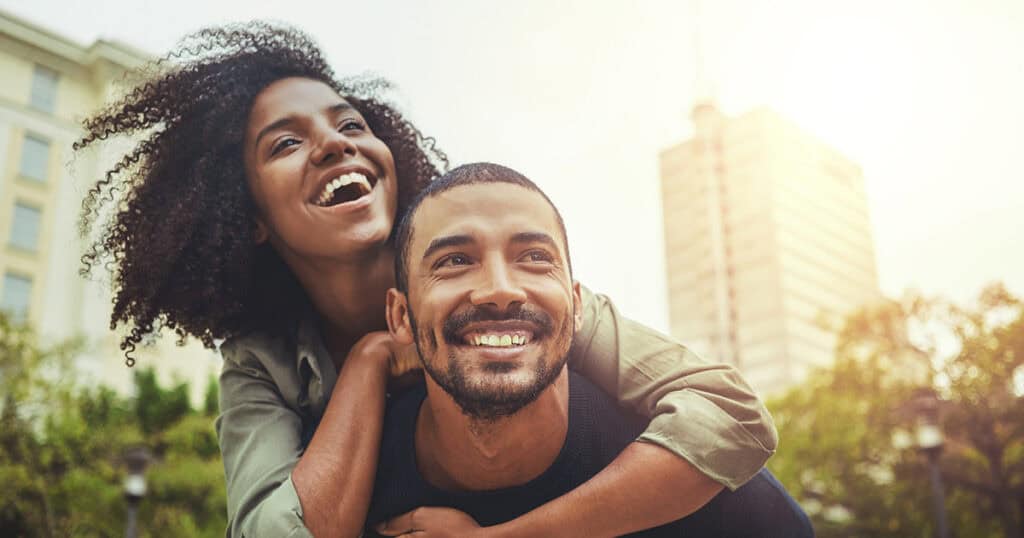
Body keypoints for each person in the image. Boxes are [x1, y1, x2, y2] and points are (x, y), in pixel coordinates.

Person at [75, 22, 777, 538]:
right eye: (286, 143)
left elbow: (729, 417)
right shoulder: (260, 363)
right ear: (247, 215)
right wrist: (372, 358)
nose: (334, 143)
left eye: (350, 123)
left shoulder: (495, 281)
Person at [370, 162, 813, 537]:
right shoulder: (367, 482)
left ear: (578, 306)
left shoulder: (708, 491)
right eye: (455, 261)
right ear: (401, 317)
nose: (500, 290)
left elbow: (738, 420)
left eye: (535, 257)